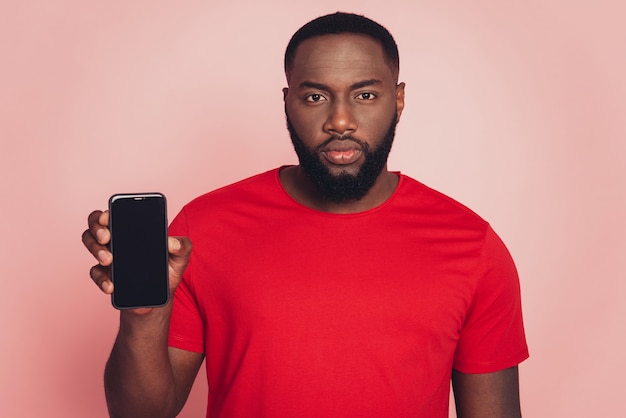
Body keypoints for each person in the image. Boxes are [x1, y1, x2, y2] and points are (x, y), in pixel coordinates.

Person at [82, 12, 528, 418]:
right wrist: (143, 314)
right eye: (315, 96)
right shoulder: (202, 229)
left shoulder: (472, 247)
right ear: (287, 101)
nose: (340, 120)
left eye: (365, 94)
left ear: (398, 99)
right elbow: (140, 415)